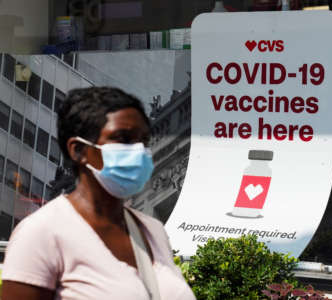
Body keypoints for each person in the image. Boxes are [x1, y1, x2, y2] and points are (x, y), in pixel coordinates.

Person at [2, 87, 196, 300]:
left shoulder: (153, 230)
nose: (138, 151)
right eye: (123, 138)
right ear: (78, 150)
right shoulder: (41, 232)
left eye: (143, 140)